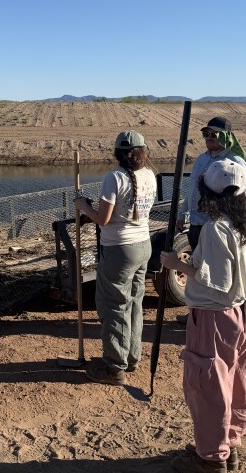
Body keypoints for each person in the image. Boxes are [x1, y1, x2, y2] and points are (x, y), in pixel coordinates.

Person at [160, 160, 246, 473]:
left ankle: (211, 459)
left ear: (207, 192)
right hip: (245, 315)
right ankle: (230, 445)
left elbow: (216, 283)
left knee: (210, 387)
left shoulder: (216, 229)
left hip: (215, 318)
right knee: (237, 381)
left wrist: (177, 265)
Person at [74, 130, 157, 385]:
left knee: (114, 306)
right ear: (143, 151)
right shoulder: (150, 175)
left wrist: (83, 206)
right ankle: (131, 356)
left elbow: (104, 219)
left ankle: (114, 367)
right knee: (133, 302)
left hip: (119, 249)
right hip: (143, 245)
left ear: (117, 153)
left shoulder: (114, 177)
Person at [177, 116, 246, 250]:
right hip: (196, 225)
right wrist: (182, 215)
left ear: (226, 136)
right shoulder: (201, 158)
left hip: (217, 228)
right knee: (197, 268)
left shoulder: (235, 162)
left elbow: (241, 199)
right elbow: (193, 190)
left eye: (214, 134)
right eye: (206, 134)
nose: (209, 137)